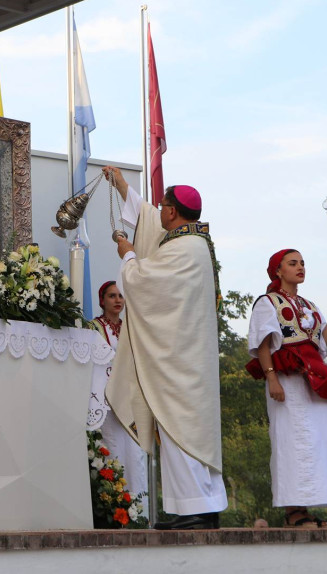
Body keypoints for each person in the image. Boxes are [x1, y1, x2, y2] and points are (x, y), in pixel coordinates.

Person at [102, 166, 227, 530]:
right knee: (188, 431)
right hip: (187, 361)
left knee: (178, 429)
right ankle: (202, 507)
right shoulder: (190, 241)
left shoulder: (183, 250)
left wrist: (127, 254)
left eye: (163, 206)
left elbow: (141, 282)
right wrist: (123, 185)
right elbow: (147, 218)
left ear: (173, 211)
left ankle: (194, 512)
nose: (158, 211)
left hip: (178, 365)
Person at [246, 249, 327, 528]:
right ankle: (293, 511)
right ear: (278, 271)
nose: (300, 267)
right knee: (291, 442)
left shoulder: (309, 305)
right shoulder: (269, 303)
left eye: (302, 263)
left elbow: (319, 348)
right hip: (287, 383)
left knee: (316, 443)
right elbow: (264, 344)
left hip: (312, 386)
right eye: (293, 263)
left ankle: (307, 507)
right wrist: (272, 378)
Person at [87, 281, 147, 506]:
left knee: (135, 453)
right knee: (112, 449)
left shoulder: (131, 328)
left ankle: (137, 509)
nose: (118, 300)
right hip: (107, 400)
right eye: (112, 296)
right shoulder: (93, 328)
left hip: (130, 400)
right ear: (102, 300)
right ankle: (115, 506)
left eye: (121, 296)